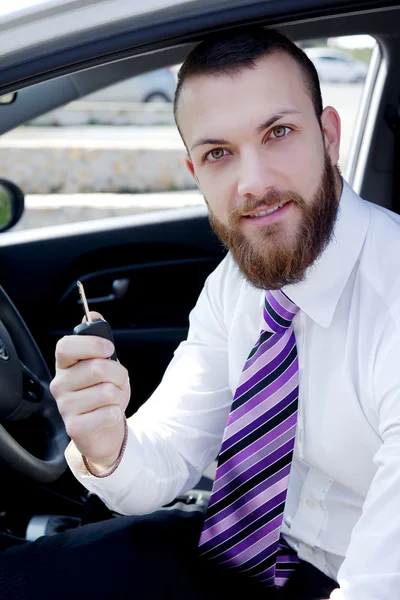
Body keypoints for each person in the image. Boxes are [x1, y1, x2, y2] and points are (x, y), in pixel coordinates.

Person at [1, 26, 400, 600]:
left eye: (279, 132)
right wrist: (107, 441)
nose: (254, 183)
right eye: (219, 153)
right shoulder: (234, 286)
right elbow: (163, 459)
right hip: (247, 553)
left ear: (329, 135)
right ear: (195, 174)